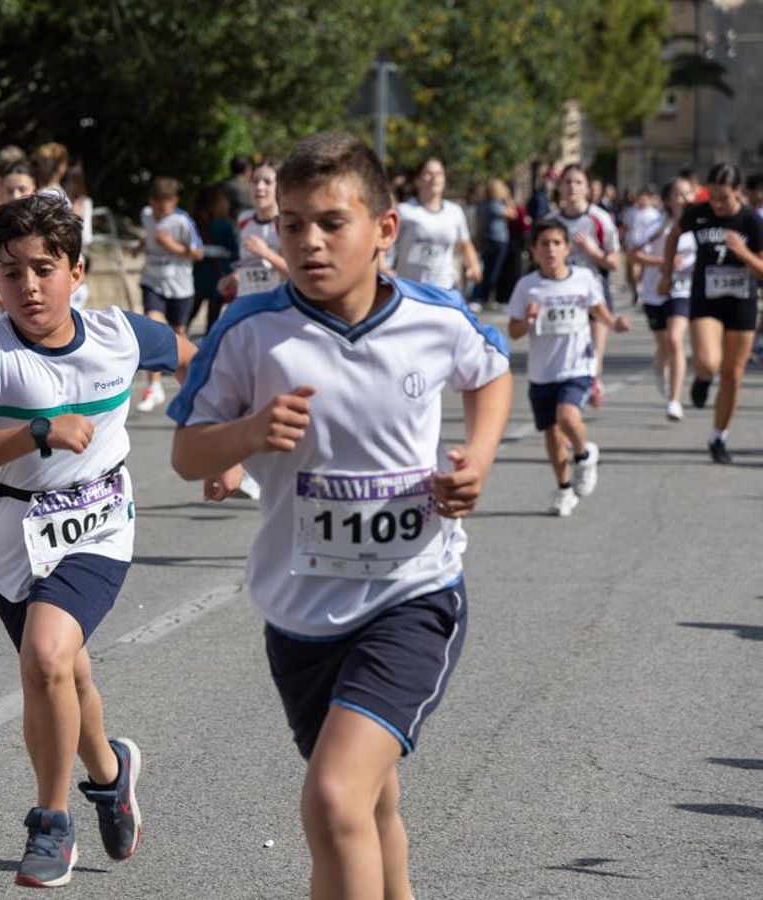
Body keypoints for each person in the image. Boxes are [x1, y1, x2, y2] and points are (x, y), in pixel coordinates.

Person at [168, 131, 512, 900]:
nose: (310, 241)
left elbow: (491, 373)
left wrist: (479, 460)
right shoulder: (252, 329)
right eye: (293, 224)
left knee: (332, 800)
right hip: (299, 616)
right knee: (369, 797)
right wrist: (248, 434)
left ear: (384, 230)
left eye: (331, 222)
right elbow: (188, 454)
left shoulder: (434, 316)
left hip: (411, 597)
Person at [0, 194, 202, 888]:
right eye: (11, 271)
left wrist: (216, 445)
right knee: (66, 673)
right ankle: (111, 777)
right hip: (12, 534)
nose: (28, 286)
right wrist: (35, 432)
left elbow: (193, 363)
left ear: (77, 271)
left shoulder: (118, 333)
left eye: (44, 269)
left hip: (99, 525)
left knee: (48, 656)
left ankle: (50, 824)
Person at [506, 219, 631, 516]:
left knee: (567, 417)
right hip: (542, 371)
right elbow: (513, 330)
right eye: (544, 244)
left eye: (556, 243)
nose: (550, 249)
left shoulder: (584, 278)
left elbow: (598, 311)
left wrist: (615, 323)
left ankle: (584, 454)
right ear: (534, 251)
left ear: (567, 248)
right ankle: (564, 489)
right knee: (551, 434)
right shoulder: (527, 286)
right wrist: (527, 319)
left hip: (577, 365)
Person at [660, 162, 763, 464]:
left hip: (741, 303)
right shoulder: (698, 213)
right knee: (708, 361)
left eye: (724, 198)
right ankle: (703, 378)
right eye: (713, 197)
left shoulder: (751, 222)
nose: (717, 204)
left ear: (738, 192)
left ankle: (719, 436)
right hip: (706, 299)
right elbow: (672, 237)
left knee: (733, 375)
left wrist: (743, 253)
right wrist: (666, 274)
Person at [553, 164, 622, 407]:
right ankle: (572, 402)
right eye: (567, 182)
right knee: (566, 359)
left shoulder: (599, 219)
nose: (572, 187)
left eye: (578, 182)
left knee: (594, 356)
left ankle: (593, 380)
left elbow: (614, 262)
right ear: (559, 186)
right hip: (562, 297)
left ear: (588, 188)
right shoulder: (552, 222)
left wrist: (593, 253)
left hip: (594, 295)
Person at [136, 176, 204, 412]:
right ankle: (153, 387)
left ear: (174, 202)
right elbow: (147, 233)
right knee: (153, 326)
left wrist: (172, 246)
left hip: (180, 286)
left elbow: (198, 253)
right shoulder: (146, 215)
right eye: (156, 206)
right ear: (150, 202)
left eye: (164, 206)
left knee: (178, 336)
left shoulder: (182, 221)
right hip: (152, 282)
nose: (159, 212)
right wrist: (140, 244)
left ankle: (188, 389)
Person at [631, 179, 696, 420]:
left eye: (687, 193)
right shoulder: (656, 223)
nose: (683, 198)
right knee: (663, 344)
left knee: (675, 340)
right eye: (678, 194)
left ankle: (675, 400)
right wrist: (663, 263)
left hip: (683, 289)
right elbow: (634, 254)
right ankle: (660, 369)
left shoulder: (699, 224)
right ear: (668, 199)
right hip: (655, 290)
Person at [391, 158, 481, 306]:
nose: (434, 178)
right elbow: (383, 242)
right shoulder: (405, 211)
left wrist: (473, 265)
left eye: (439, 174)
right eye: (428, 173)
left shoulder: (454, 212)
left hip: (443, 289)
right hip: (410, 291)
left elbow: (465, 244)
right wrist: (384, 267)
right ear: (417, 180)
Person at [220, 161, 289, 302]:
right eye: (255, 181)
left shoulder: (288, 223)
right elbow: (250, 263)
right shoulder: (244, 219)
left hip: (277, 304)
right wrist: (235, 276)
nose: (259, 187)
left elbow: (294, 272)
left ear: (280, 187)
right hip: (247, 301)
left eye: (267, 182)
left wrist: (265, 253)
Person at [191, 183, 240, 329]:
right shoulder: (224, 225)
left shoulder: (195, 224)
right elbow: (235, 251)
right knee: (212, 320)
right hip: (219, 279)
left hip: (197, 277)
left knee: (189, 315)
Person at [471, 178, 516, 309]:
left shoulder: (482, 204)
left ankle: (484, 297)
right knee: (492, 271)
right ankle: (482, 297)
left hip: (486, 239)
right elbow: (513, 214)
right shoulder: (495, 205)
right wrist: (508, 200)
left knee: (487, 269)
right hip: (498, 240)